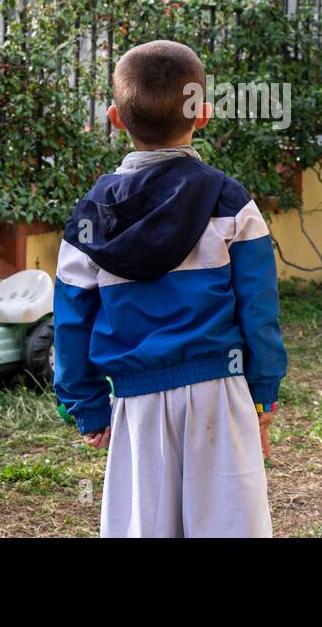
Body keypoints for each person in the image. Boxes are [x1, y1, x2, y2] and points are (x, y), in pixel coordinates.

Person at [53, 39, 287, 537]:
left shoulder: (90, 219)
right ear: (201, 115)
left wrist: (86, 405)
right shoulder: (231, 203)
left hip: (136, 405)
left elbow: (71, 320)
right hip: (220, 394)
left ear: (116, 118)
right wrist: (263, 394)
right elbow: (259, 307)